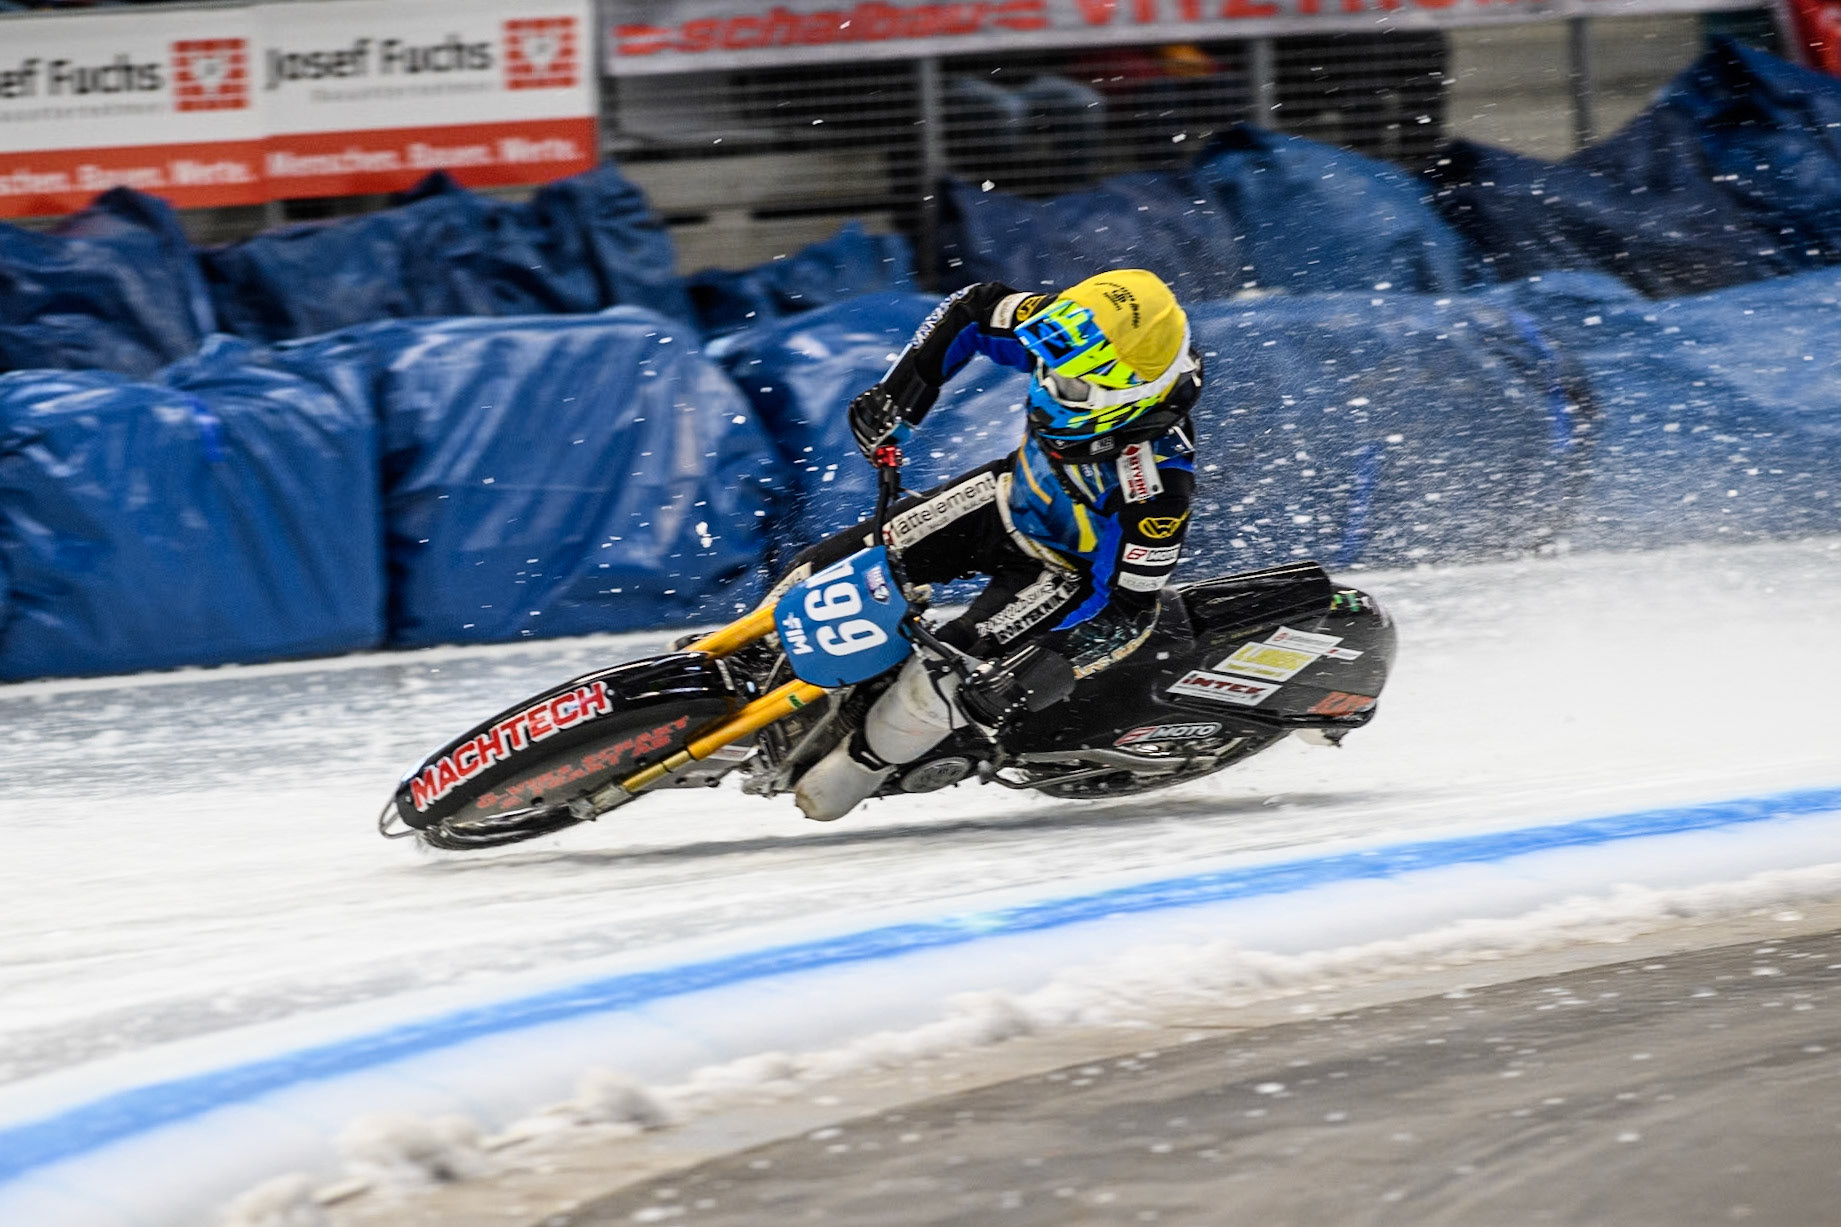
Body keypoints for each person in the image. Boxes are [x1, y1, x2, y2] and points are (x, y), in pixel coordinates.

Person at [787, 268, 1205, 821]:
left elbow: (1129, 611)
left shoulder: (1157, 487)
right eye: (1049, 369)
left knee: (939, 683)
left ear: (1126, 394)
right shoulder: (1070, 334)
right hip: (1002, 497)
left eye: (1071, 385)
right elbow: (973, 307)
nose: (1048, 384)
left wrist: (1042, 672)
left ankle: (863, 763)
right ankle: (737, 655)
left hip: (1059, 573)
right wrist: (899, 398)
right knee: (818, 569)